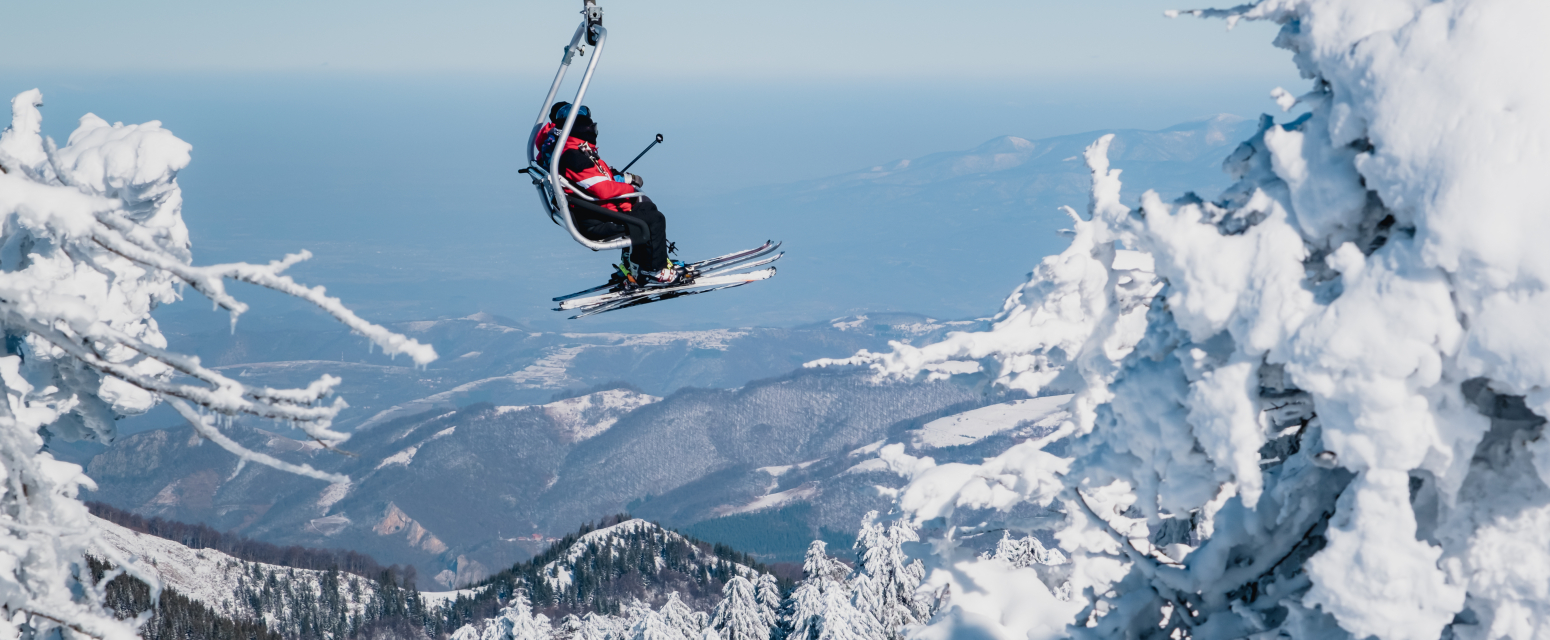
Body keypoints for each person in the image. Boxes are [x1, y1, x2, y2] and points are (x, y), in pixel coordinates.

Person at [535, 102, 679, 285]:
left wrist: (621, 178)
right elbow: (601, 189)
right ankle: (654, 270)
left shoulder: (566, 149)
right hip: (596, 221)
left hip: (589, 212)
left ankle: (634, 263)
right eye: (590, 126)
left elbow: (594, 178)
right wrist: (630, 189)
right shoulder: (574, 156)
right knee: (654, 218)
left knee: (644, 206)